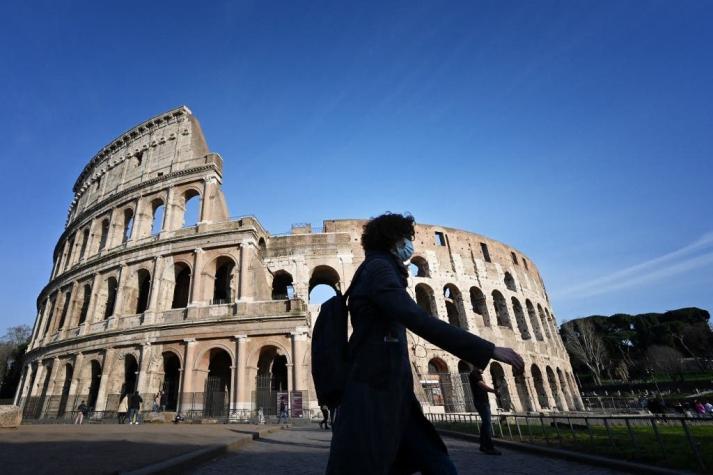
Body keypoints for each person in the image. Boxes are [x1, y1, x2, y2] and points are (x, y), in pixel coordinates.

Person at [326, 213, 524, 474]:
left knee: (433, 462)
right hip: (374, 387)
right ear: (394, 239)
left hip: (390, 389)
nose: (411, 243)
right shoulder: (379, 269)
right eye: (407, 237)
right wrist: (488, 349)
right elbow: (417, 318)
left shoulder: (379, 267)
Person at [468, 367, 500, 455]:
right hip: (481, 402)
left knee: (485, 423)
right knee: (487, 424)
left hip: (482, 401)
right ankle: (489, 447)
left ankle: (483, 445)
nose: (483, 369)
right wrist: (494, 391)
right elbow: (482, 385)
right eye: (482, 367)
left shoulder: (477, 374)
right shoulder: (474, 374)